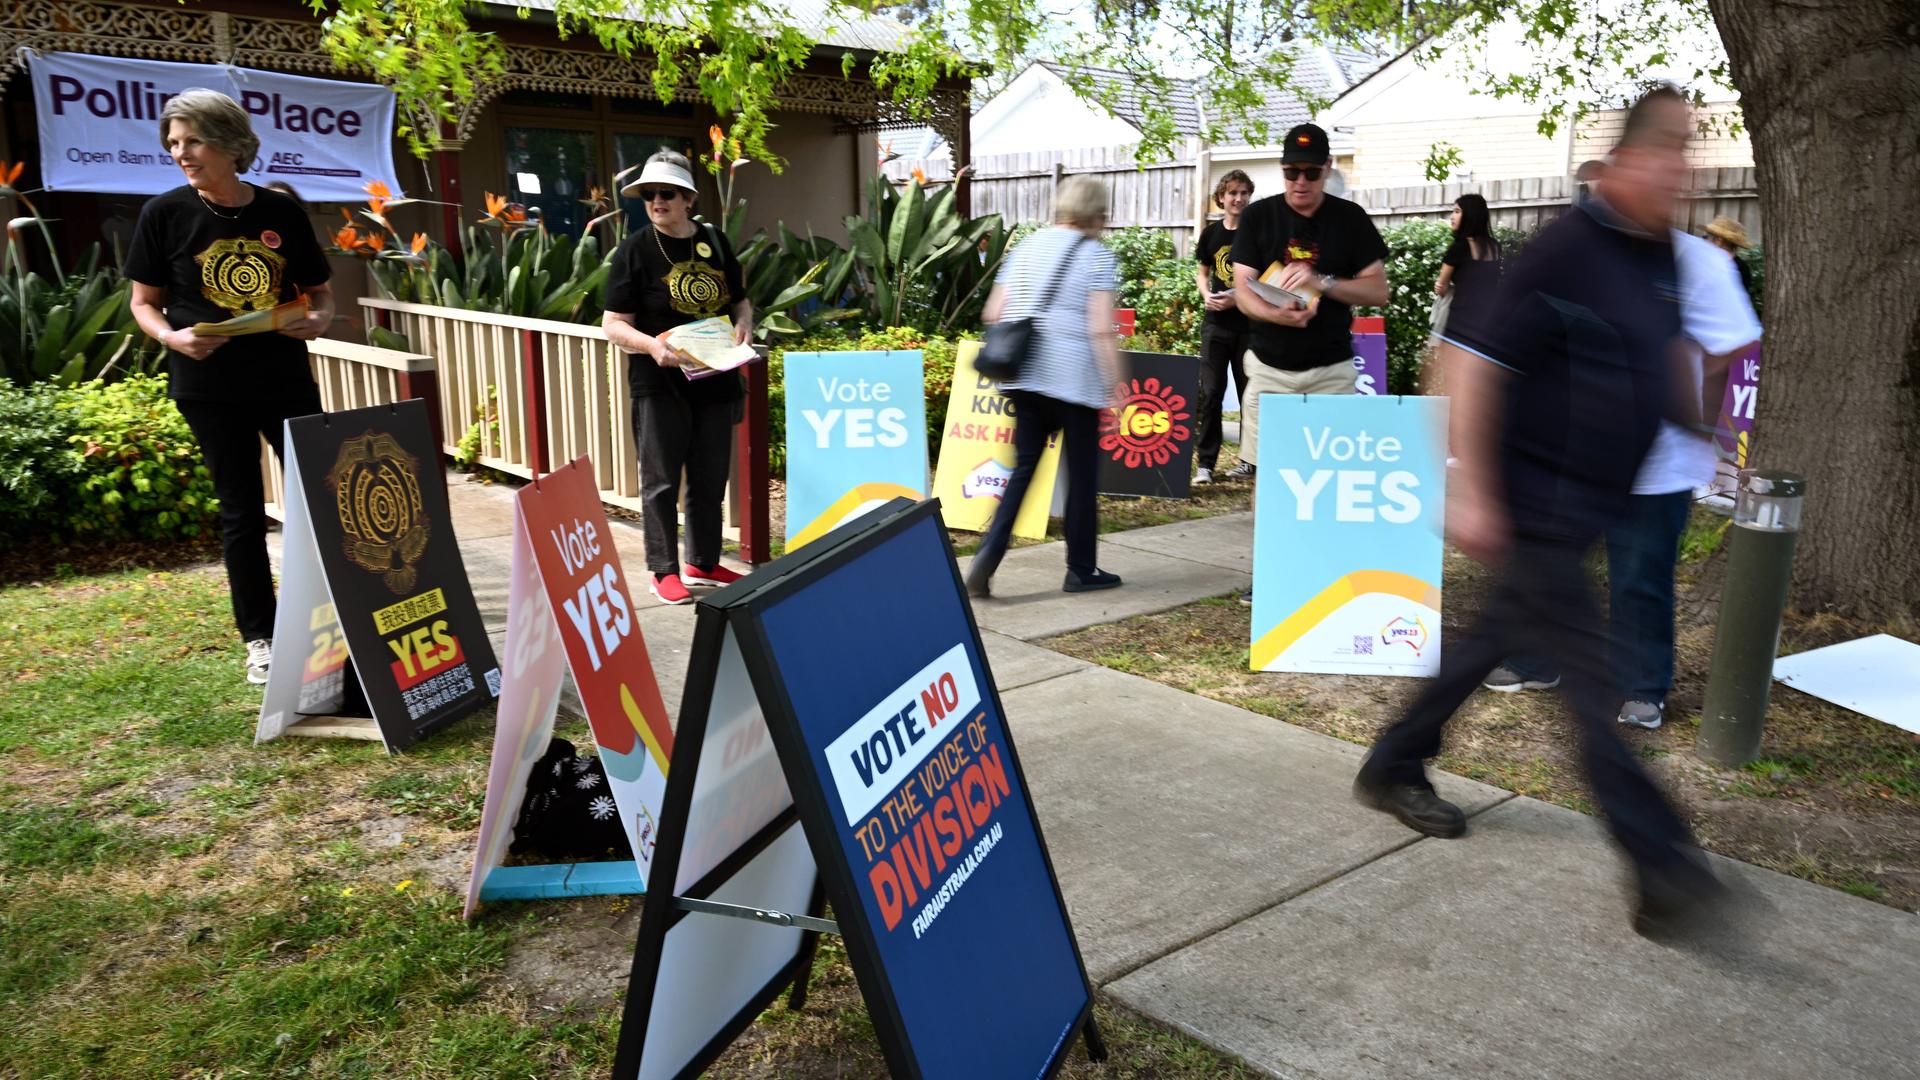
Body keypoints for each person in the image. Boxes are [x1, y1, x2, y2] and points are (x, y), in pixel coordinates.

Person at [1354, 86, 1723, 935]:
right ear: (1626, 161)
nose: (1684, 166)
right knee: (1591, 682)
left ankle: (1394, 760)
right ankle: (1662, 864)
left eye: (1689, 148)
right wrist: (1475, 493)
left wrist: (1698, 427)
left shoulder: (1658, 252)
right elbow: (1475, 364)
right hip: (1536, 505)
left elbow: (1658, 351)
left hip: (1597, 500)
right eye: (1670, 148)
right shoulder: (1568, 246)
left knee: (1489, 641)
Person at [1482, 224, 1762, 727]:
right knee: (1551, 562)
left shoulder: (1701, 262)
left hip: (1658, 458)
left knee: (1641, 576)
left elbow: (1727, 350)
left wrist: (1697, 425)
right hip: (1574, 449)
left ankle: (1642, 687)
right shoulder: (1580, 251)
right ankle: (1536, 660)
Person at [126, 89, 335, 685]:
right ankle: (262, 638)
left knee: (319, 502)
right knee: (241, 511)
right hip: (207, 384)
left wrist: (317, 321)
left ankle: (332, 618)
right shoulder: (163, 214)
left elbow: (320, 294)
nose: (180, 153)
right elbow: (143, 303)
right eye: (173, 143)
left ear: (228, 142)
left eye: (191, 140)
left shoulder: (281, 212)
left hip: (284, 378)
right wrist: (174, 339)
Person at [1229, 123, 1389, 603]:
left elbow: (1378, 290)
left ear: (1326, 170)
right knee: (1268, 474)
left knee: (1331, 480)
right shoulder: (1259, 217)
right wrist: (1275, 312)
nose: (1301, 182)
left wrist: (1322, 282)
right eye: (1292, 172)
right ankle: (1271, 573)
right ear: (1282, 171)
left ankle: (1328, 574)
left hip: (1332, 370)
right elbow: (1242, 291)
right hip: (1270, 366)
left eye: (1311, 172)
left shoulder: (1350, 219)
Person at [600, 150, 754, 606]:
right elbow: (612, 324)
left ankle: (703, 562)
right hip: (660, 381)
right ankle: (663, 570)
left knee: (709, 476)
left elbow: (740, 300)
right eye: (649, 195)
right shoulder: (634, 250)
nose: (656, 201)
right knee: (662, 480)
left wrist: (745, 323)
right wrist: (653, 346)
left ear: (688, 198)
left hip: (716, 377)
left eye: (666, 193)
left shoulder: (715, 240)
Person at [964, 177, 1123, 598]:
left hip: (1025, 376)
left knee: (1022, 471)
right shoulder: (1096, 257)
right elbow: (1099, 329)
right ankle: (1081, 570)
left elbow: (993, 311)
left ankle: (988, 555)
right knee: (1082, 476)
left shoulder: (1026, 248)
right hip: (1074, 382)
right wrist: (1116, 385)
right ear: (1096, 214)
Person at [1193, 170, 1253, 485]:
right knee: (1212, 392)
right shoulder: (1211, 234)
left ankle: (1248, 461)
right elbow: (1202, 273)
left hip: (1249, 326)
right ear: (1221, 197)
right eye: (1232, 193)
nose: (1238, 198)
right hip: (1215, 325)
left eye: (1243, 193)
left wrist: (1237, 298)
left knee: (1249, 394)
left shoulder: (1257, 234)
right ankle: (1205, 465)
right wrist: (1207, 296)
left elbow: (1266, 280)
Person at [1431, 193, 1501, 343]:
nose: (1452, 216)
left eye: (1457, 211)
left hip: (1462, 319)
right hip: (1489, 316)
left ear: (1470, 215)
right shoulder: (1494, 246)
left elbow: (1442, 286)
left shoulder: (1460, 247)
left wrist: (1440, 287)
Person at [1703, 215, 1755, 299]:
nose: (1705, 241)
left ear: (1719, 241)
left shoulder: (1710, 265)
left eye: (1707, 237)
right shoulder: (1743, 268)